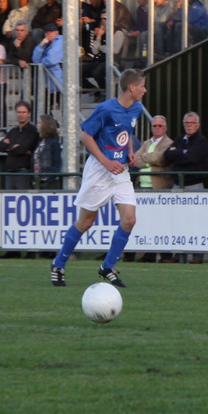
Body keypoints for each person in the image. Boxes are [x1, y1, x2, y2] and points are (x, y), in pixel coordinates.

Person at [47, 70, 148, 288]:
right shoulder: (106, 109)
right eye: (142, 86)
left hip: (120, 170)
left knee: (130, 219)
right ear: (132, 87)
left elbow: (127, 132)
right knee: (86, 222)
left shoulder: (137, 108)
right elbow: (86, 137)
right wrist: (106, 162)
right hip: (100, 170)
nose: (145, 90)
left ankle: (107, 266)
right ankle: (59, 263)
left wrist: (130, 152)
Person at [0, 101, 39, 191]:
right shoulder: (13, 131)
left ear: (29, 114)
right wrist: (13, 147)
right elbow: (0, 147)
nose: (21, 115)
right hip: (10, 172)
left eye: (24, 112)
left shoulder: (32, 131)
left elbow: (22, 149)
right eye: (19, 112)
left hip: (24, 173)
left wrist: (8, 147)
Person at [164, 113, 208, 190]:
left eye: (192, 123)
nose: (189, 125)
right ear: (183, 124)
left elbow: (191, 158)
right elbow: (166, 156)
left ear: (198, 125)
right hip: (177, 184)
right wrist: (183, 151)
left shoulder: (201, 141)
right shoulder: (179, 139)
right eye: (186, 123)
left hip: (194, 184)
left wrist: (176, 152)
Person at [31, 22, 64, 104]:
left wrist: (41, 62)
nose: (48, 34)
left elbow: (51, 60)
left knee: (64, 108)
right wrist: (41, 45)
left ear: (57, 32)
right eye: (46, 32)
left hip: (60, 83)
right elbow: (35, 60)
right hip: (50, 84)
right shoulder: (46, 43)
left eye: (51, 32)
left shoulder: (60, 41)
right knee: (44, 107)